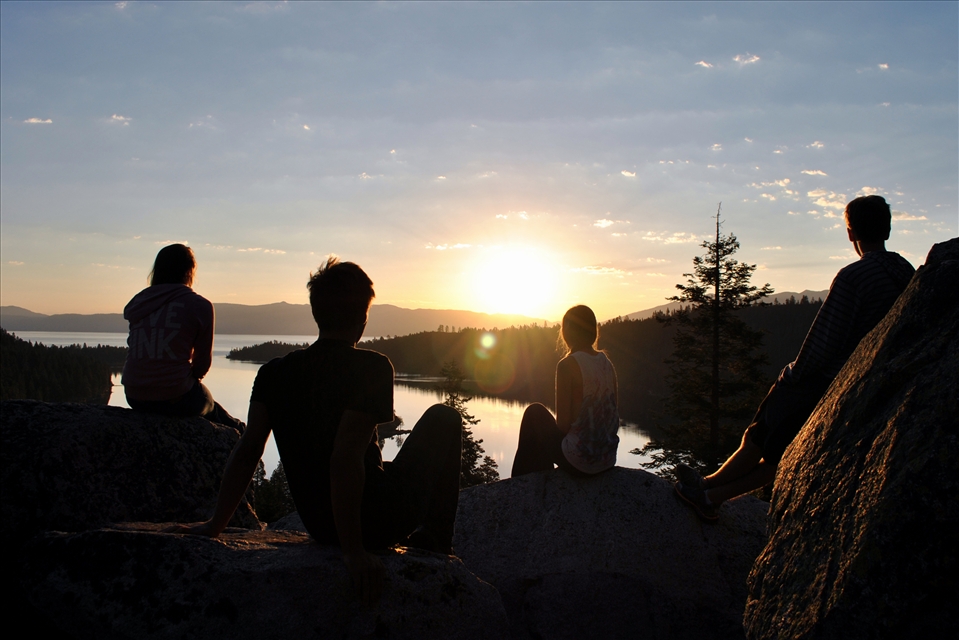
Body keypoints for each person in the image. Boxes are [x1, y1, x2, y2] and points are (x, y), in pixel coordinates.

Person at [166, 256, 462, 604]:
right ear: (363, 317)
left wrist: (215, 524)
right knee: (444, 417)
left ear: (316, 312)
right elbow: (346, 456)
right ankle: (437, 540)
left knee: (384, 466)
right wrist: (353, 552)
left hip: (318, 523)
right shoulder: (371, 367)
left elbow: (248, 451)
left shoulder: (273, 373)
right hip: (373, 523)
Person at [674, 195, 915, 522]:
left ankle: (709, 497)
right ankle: (708, 484)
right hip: (861, 387)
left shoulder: (854, 277)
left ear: (850, 232)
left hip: (817, 382)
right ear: (887, 228)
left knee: (762, 443)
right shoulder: (907, 274)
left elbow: (824, 339)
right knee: (776, 451)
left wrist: (794, 374)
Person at [122, 244, 242, 430]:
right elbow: (202, 364)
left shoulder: (140, 302)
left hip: (134, 395)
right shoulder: (199, 305)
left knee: (205, 400)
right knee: (208, 404)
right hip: (175, 398)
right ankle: (239, 431)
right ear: (189, 271)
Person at [512, 305, 620, 477]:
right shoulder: (607, 363)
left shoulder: (568, 365)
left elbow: (562, 425)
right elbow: (612, 417)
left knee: (534, 413)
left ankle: (522, 484)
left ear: (568, 329)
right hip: (607, 459)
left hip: (581, 462)